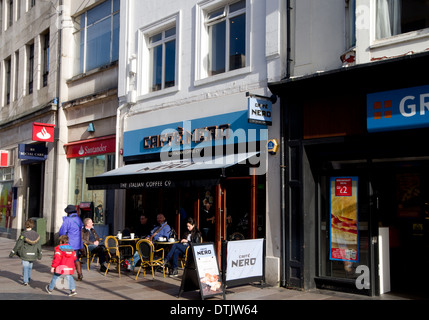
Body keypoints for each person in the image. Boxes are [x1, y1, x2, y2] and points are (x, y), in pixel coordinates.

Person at [9, 219, 42, 286]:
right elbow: (38, 246)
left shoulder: (23, 234)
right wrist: (40, 254)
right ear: (32, 226)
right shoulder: (36, 234)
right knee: (30, 267)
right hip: (33, 254)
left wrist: (12, 252)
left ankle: (25, 281)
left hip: (25, 254)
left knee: (25, 267)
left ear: (25, 225)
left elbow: (18, 244)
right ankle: (28, 279)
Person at [59, 205, 84, 281]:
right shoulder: (79, 219)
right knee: (76, 258)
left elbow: (62, 232)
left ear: (68, 212)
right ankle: (80, 274)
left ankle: (65, 274)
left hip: (69, 243)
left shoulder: (67, 220)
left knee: (66, 258)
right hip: (77, 243)